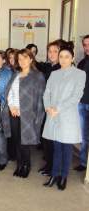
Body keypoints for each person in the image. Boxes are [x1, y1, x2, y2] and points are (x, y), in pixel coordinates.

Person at [43, 42, 86, 190]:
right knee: (56, 147)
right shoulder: (54, 73)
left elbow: (76, 96)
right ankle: (54, 175)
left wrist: (58, 108)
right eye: (61, 56)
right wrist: (48, 107)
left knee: (66, 148)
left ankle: (63, 177)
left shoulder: (79, 74)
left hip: (67, 115)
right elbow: (46, 92)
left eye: (67, 57)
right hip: (53, 115)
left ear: (72, 58)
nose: (63, 59)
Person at [2, 48, 45, 178]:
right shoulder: (16, 74)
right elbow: (8, 93)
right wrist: (11, 106)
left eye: (25, 58)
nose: (22, 61)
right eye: (19, 59)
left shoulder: (37, 76)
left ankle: (26, 166)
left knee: (25, 142)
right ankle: (19, 165)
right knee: (17, 141)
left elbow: (40, 98)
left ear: (31, 59)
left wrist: (38, 117)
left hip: (28, 115)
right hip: (13, 113)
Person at [37, 40, 62, 176]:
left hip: (56, 109)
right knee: (46, 139)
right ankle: (49, 165)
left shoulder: (61, 68)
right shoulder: (48, 67)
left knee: (53, 140)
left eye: (55, 51)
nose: (51, 54)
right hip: (46, 107)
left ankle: (54, 168)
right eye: (50, 51)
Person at [75, 35, 89, 172]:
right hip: (82, 103)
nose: (87, 47)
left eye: (88, 44)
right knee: (84, 136)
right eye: (85, 44)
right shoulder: (82, 63)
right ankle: (84, 163)